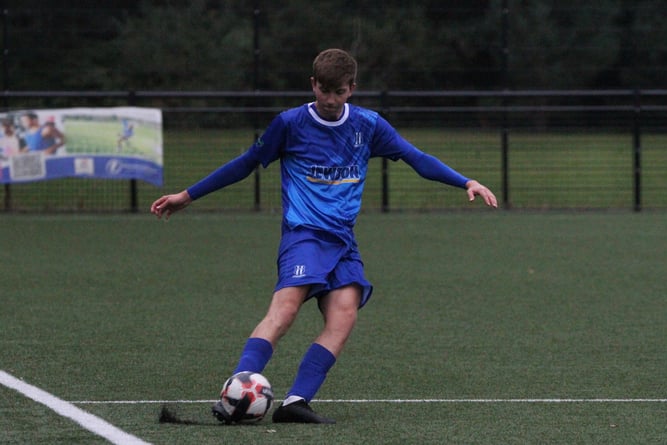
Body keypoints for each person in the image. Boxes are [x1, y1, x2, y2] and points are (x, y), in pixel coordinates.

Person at [150, 48, 497, 424]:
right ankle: (235, 392)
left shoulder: (369, 126)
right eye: (324, 91)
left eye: (339, 92)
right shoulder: (290, 124)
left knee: (344, 316)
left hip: (344, 241)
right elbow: (245, 163)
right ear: (313, 84)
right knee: (284, 311)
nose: (331, 101)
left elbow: (417, 158)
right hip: (304, 236)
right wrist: (187, 195)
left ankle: (295, 402)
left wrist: (467, 181)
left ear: (352, 88)